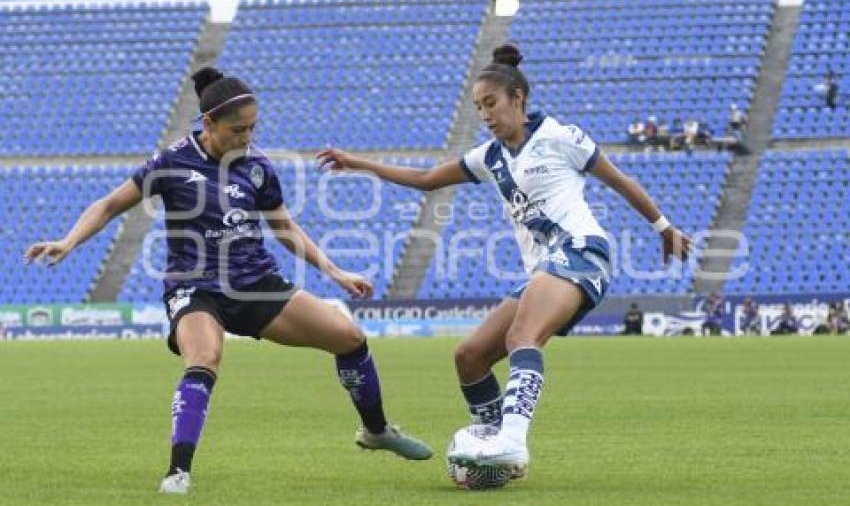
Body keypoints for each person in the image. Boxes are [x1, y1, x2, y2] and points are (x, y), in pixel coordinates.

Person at [23, 67, 432, 495]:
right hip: (194, 285)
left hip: (254, 281)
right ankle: (177, 472)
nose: (247, 137)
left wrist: (334, 271)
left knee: (348, 336)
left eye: (253, 128)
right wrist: (68, 241)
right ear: (209, 125)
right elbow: (109, 205)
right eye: (238, 129)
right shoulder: (172, 161)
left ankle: (376, 431)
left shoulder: (257, 167)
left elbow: (285, 228)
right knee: (205, 357)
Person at [316, 44, 691, 478]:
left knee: (522, 336)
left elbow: (619, 181)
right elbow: (426, 179)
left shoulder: (559, 136)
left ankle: (511, 443)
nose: (486, 115)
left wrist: (664, 227)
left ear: (518, 98)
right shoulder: (488, 157)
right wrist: (356, 162)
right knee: (470, 356)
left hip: (580, 251)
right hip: (545, 268)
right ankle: (495, 451)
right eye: (478, 108)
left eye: (491, 103)